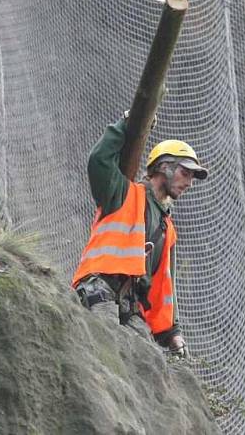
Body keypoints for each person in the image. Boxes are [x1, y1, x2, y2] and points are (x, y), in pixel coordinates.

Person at [72, 113, 208, 356]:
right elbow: (99, 160)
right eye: (185, 173)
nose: (189, 182)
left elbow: (164, 287)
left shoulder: (168, 229)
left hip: (129, 308)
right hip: (98, 290)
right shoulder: (122, 193)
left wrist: (172, 333)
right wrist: (127, 124)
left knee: (147, 362)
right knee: (106, 349)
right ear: (164, 167)